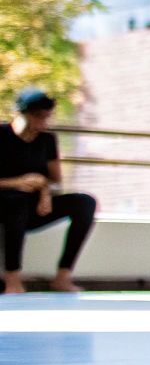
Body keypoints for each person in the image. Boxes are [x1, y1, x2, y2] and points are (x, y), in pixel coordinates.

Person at [1, 89, 98, 294]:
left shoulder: (47, 140)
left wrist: (45, 192)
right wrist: (17, 182)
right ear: (21, 114)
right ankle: (12, 279)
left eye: (47, 117)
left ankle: (63, 276)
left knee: (85, 202)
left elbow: (55, 181)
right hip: (5, 207)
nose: (43, 123)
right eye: (38, 117)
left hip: (35, 207)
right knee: (16, 201)